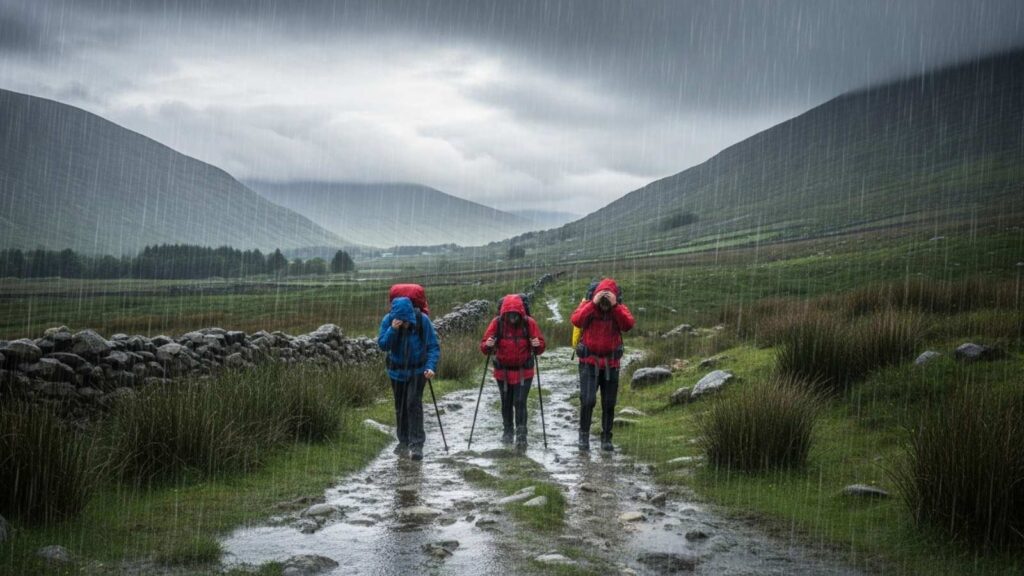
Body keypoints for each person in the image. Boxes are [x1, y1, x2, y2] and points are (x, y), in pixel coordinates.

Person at [570, 278, 634, 452]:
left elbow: (628, 325)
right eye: (602, 301)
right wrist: (593, 303)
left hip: (611, 364)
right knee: (588, 400)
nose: (604, 304)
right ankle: (583, 436)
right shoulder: (589, 307)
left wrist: (615, 306)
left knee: (609, 403)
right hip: (588, 363)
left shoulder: (618, 309)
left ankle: (606, 438)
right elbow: (576, 320)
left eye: (608, 300)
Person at [378, 296, 441, 461]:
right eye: (402, 321)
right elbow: (383, 345)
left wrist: (430, 367)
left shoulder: (422, 321)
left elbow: (433, 346)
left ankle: (417, 445)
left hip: (418, 371)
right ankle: (403, 441)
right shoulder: (388, 321)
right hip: (396, 372)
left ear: (411, 316)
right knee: (400, 407)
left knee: (413, 404)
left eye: (407, 321)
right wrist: (393, 330)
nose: (405, 324)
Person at [480, 294, 546, 447]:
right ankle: (508, 431)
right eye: (509, 314)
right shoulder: (497, 323)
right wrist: (488, 345)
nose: (512, 317)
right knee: (506, 402)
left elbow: (540, 347)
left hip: (524, 371)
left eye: (515, 314)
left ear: (520, 313)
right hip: (502, 372)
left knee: (520, 401)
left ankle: (521, 434)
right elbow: (484, 347)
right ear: (504, 313)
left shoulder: (529, 323)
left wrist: (537, 345)